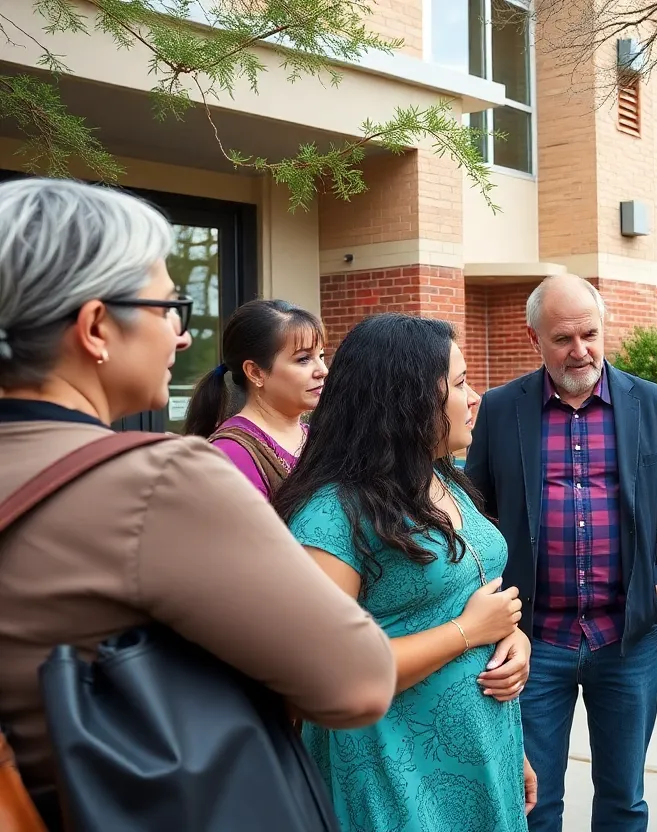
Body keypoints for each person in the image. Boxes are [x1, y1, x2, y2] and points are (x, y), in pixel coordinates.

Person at [0, 178, 395, 830]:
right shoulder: (158, 482)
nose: (182, 338)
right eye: (167, 308)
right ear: (96, 327)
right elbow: (359, 681)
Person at [464, 274, 657, 832]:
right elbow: (473, 514)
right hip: (532, 640)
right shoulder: (502, 409)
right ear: (535, 339)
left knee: (624, 800)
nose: (580, 351)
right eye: (563, 339)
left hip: (626, 640)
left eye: (590, 334)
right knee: (532, 799)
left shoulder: (652, 404)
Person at [276, 313, 536, 832]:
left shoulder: (443, 478)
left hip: (484, 756)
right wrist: (469, 633)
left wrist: (513, 640)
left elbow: (462, 599)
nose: (475, 396)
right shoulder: (332, 516)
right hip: (393, 777)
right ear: (409, 399)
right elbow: (328, 675)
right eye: (460, 383)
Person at [184, 298, 327, 498]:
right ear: (255, 373)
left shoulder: (320, 439)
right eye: (303, 359)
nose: (323, 370)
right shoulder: (232, 454)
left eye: (321, 356)